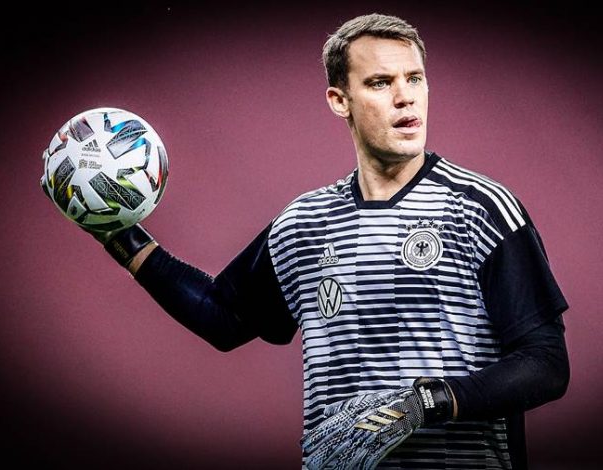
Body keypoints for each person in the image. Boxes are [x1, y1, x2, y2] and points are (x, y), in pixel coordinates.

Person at [80, 13, 570, 470]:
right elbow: (221, 317)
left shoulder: (481, 208)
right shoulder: (304, 223)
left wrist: (429, 402)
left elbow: (545, 364)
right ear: (340, 100)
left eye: (415, 78)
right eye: (380, 82)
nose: (405, 97)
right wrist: (115, 233)